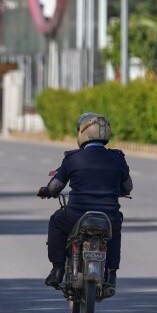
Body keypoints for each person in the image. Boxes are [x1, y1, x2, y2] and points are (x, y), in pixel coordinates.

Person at [38, 112, 133, 293]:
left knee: (56, 222)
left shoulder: (72, 158)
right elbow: (128, 186)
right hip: (108, 217)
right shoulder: (118, 158)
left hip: (76, 216)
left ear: (83, 133)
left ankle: (57, 269)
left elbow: (55, 186)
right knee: (116, 228)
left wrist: (46, 192)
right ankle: (111, 273)